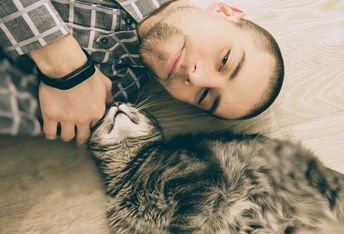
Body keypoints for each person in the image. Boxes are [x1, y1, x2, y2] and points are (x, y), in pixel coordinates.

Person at [0, 0, 284, 145]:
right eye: (225, 60)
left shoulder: (104, 102)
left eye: (205, 95)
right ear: (226, 12)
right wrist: (66, 68)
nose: (196, 78)